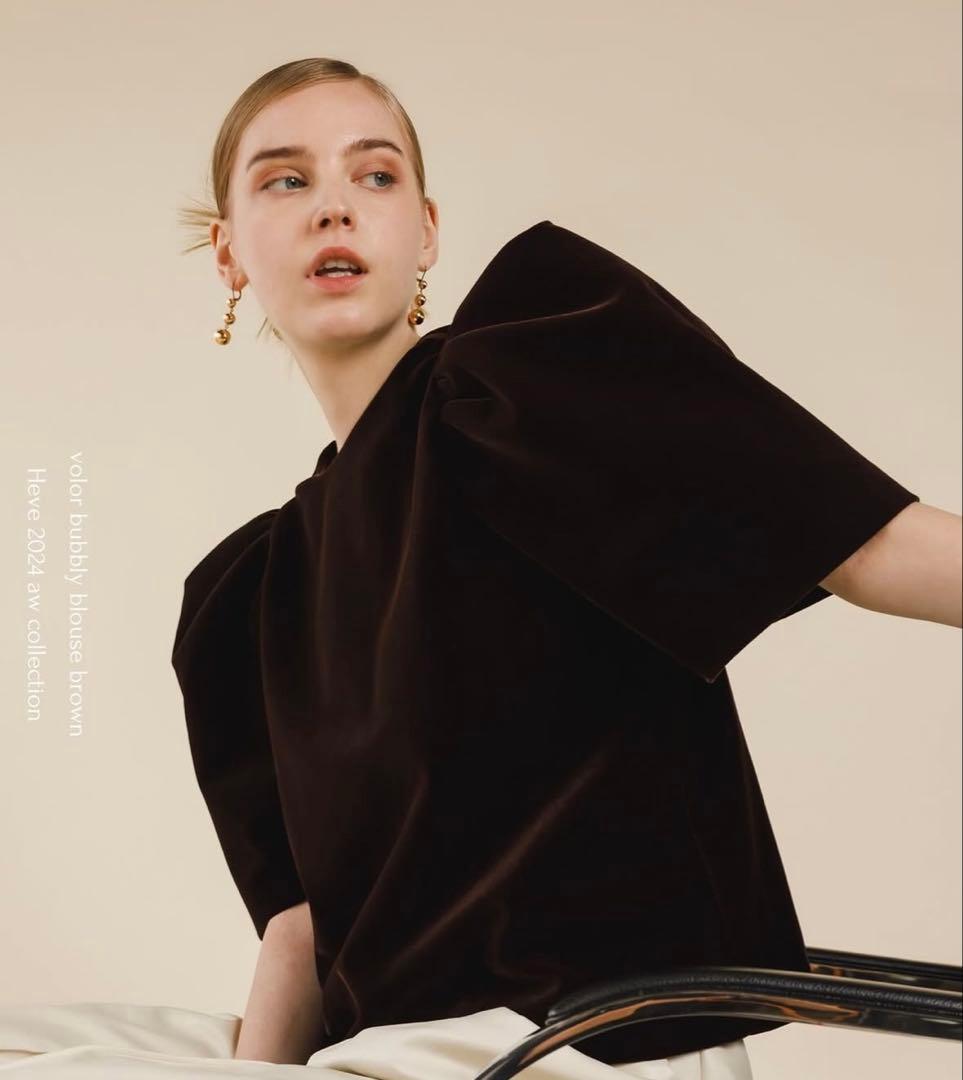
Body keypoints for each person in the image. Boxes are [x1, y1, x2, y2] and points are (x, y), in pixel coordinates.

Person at [171, 57, 962, 1079]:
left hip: (591, 1045)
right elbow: (300, 930)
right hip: (391, 1059)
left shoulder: (526, 375)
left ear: (427, 231)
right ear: (228, 253)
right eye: (287, 180)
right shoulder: (244, 600)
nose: (334, 206)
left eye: (375, 175)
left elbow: (868, 543)